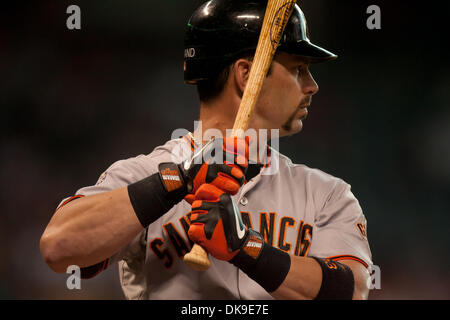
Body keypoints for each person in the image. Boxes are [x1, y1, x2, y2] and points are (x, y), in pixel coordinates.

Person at [40, 0, 373, 300]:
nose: (312, 85)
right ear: (246, 74)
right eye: (299, 68)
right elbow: (58, 248)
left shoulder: (325, 194)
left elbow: (351, 292)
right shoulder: (142, 174)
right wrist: (177, 180)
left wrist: (246, 249)